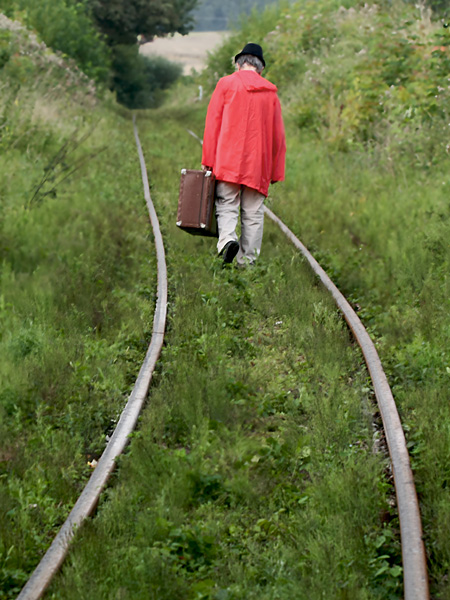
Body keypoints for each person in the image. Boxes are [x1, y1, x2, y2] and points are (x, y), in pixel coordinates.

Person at [202, 42, 286, 266]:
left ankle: (228, 240)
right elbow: (278, 136)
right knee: (253, 212)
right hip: (258, 164)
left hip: (229, 158)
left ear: (239, 64)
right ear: (260, 69)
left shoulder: (226, 84)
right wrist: (275, 171)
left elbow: (213, 124)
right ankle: (247, 262)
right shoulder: (271, 93)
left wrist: (208, 160)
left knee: (226, 202)